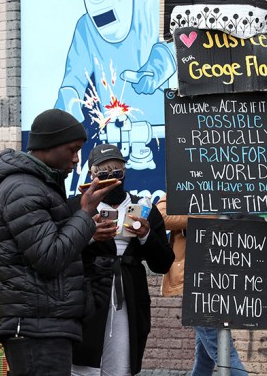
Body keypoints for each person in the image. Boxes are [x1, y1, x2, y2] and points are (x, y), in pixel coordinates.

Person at [0, 108, 120, 376]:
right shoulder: (23, 188)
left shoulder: (38, 185)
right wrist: (84, 213)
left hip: (45, 321)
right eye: (72, 149)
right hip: (36, 325)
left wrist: (88, 233)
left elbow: (48, 245)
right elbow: (49, 257)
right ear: (48, 146)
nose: (76, 159)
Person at [55, 0, 176, 170]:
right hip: (112, 141)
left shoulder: (152, 8)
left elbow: (170, 47)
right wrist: (68, 110)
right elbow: (73, 79)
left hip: (161, 133)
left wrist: (153, 73)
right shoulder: (85, 27)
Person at [69, 144, 174, 376]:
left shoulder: (144, 207)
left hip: (129, 294)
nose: (112, 179)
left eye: (117, 173)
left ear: (125, 172)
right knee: (83, 366)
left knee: (121, 366)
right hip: (88, 294)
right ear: (91, 175)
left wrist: (146, 235)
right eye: (104, 175)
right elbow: (61, 251)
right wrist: (88, 235)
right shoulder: (76, 206)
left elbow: (163, 263)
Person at [157, 194, 248, 376]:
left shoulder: (231, 186)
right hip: (196, 280)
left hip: (223, 277)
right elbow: (161, 217)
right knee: (223, 350)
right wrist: (207, 216)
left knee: (206, 355)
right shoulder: (185, 185)